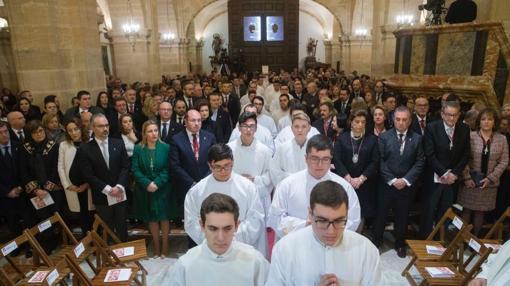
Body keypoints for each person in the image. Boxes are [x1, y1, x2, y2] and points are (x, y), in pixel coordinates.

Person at [266, 181, 380, 286]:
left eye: (339, 221)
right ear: (310, 213)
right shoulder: (285, 250)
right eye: (322, 221)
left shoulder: (366, 250)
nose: (331, 231)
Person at [268, 134, 361, 239]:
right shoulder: (287, 185)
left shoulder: (344, 187)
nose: (320, 164)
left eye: (325, 159)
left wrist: (328, 229)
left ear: (331, 160)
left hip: (330, 245)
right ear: (306, 158)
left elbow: (353, 219)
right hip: (296, 244)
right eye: (314, 158)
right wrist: (305, 225)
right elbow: (275, 218)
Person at [184, 143, 267, 255]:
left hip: (242, 248)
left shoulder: (248, 187)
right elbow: (191, 222)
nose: (223, 171)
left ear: (232, 162)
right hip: (211, 250)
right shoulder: (197, 191)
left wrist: (232, 239)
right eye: (217, 167)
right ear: (209, 165)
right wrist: (215, 240)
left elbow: (256, 219)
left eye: (227, 166)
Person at [171, 193, 269, 286]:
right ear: (202, 226)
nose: (221, 238)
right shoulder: (186, 264)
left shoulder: (255, 261)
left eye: (227, 228)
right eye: (213, 229)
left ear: (237, 225)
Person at [372, 106, 426, 258]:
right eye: (398, 119)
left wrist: (406, 180)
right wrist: (393, 180)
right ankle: (376, 241)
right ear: (393, 120)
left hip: (406, 186)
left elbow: (420, 162)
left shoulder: (417, 138)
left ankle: (400, 243)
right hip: (387, 184)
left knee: (402, 216)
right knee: (381, 214)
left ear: (409, 121)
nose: (401, 123)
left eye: (404, 120)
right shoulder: (384, 137)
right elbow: (380, 161)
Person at [420, 100, 471, 238]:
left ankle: (439, 241)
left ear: (459, 115)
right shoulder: (432, 128)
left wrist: (454, 173)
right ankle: (424, 240)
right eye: (448, 115)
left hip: (452, 180)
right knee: (429, 211)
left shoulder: (464, 129)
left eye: (455, 115)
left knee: (445, 212)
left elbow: (466, 154)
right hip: (434, 178)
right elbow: (429, 154)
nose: (451, 118)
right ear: (442, 114)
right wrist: (443, 173)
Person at [79, 113, 130, 241]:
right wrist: (107, 189)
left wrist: (118, 186)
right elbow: (88, 175)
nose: (105, 129)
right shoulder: (85, 149)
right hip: (101, 196)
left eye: (107, 125)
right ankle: (110, 255)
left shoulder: (118, 143)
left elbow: (125, 167)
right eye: (101, 126)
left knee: (122, 226)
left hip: (120, 194)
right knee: (107, 227)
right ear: (93, 127)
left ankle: (124, 255)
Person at [458, 108, 509, 235]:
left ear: (494, 122)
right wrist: (467, 177)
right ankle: (460, 241)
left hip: (489, 184)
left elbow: (504, 161)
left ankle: (473, 240)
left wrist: (491, 178)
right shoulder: (470, 136)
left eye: (490, 119)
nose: (486, 122)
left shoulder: (501, 139)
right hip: (470, 181)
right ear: (479, 121)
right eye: (483, 119)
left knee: (480, 212)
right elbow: (462, 158)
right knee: (467, 210)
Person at [132, 120, 176, 258]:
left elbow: (168, 168)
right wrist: (147, 183)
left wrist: (157, 183)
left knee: (164, 217)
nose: (154, 134)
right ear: (144, 133)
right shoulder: (138, 148)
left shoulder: (166, 148)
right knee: (152, 218)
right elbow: (135, 169)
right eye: (150, 131)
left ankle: (165, 246)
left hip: (162, 188)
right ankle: (156, 247)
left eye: (155, 130)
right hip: (146, 190)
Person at [19, 120, 63, 252]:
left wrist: (47, 188)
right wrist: (37, 190)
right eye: (35, 132)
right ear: (29, 134)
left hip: (53, 188)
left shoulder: (53, 146)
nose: (39, 134)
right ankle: (47, 243)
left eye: (41, 131)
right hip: (36, 191)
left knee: (56, 215)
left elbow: (57, 167)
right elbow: (23, 170)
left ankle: (58, 240)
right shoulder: (25, 149)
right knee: (43, 218)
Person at [333, 109, 379, 231]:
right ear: (351, 122)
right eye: (357, 121)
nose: (360, 125)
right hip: (345, 182)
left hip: (363, 184)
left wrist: (361, 179)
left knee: (360, 212)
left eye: (363, 122)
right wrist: (348, 178)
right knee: (343, 210)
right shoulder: (342, 138)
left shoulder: (372, 139)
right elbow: (337, 159)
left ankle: (357, 237)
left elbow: (374, 162)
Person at [169, 109, 216, 221]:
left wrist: (203, 182)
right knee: (191, 222)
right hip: (186, 187)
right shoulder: (176, 139)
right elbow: (174, 165)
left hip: (207, 186)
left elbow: (214, 162)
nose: (197, 123)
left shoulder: (210, 137)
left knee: (209, 219)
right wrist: (192, 183)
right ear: (185, 121)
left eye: (199, 120)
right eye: (193, 120)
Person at [228, 112, 273, 218]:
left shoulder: (264, 150)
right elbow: (224, 171)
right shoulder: (229, 149)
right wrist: (238, 180)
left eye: (252, 126)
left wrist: (255, 180)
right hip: (235, 194)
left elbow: (270, 175)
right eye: (245, 126)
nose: (248, 130)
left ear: (256, 128)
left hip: (257, 196)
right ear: (239, 128)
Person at [0, 121, 34, 257]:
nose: (4, 135)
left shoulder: (19, 147)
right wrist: (7, 192)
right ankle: (17, 246)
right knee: (12, 221)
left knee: (28, 219)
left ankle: (30, 246)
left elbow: (25, 169)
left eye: (6, 131)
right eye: (0, 133)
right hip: (5, 195)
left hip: (22, 191)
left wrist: (20, 187)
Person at [58, 118, 94, 234]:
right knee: (81, 214)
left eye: (76, 129)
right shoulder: (64, 145)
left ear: (81, 129)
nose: (73, 133)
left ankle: (96, 241)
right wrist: (67, 185)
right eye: (70, 130)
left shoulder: (90, 142)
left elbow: (96, 166)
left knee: (91, 213)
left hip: (89, 186)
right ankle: (86, 240)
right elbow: (61, 167)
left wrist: (88, 183)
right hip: (73, 187)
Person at [270, 112, 312, 186]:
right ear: (291, 128)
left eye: (303, 126)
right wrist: (293, 178)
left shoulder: (314, 149)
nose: (300, 130)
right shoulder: (282, 148)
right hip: (287, 190)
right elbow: (274, 172)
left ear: (309, 128)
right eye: (296, 126)